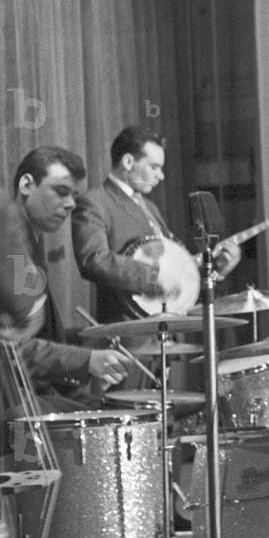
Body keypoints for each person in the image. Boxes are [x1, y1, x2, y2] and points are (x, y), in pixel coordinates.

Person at [0, 146, 132, 411]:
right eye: (61, 192)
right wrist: (86, 360)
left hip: (26, 396)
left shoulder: (30, 249)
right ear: (27, 184)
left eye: (73, 195)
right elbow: (12, 350)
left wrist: (92, 359)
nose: (71, 204)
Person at [72, 126, 240, 325]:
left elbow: (175, 268)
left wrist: (216, 269)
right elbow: (94, 260)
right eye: (154, 167)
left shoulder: (149, 207)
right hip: (127, 330)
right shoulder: (95, 202)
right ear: (128, 162)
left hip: (166, 326)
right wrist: (153, 276)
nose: (161, 176)